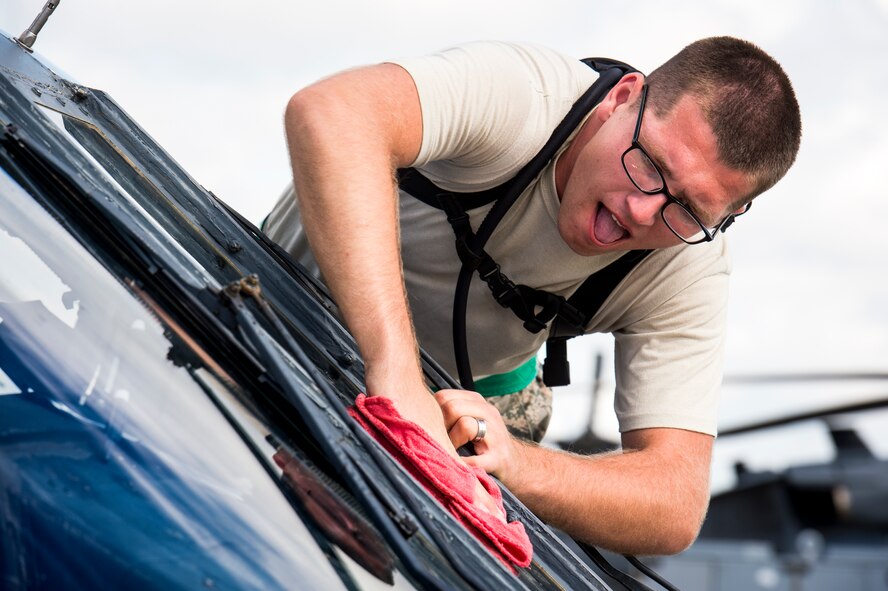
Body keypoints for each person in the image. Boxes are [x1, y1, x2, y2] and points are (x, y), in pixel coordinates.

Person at [264, 37, 801, 555]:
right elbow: (332, 112)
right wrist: (397, 377)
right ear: (622, 99)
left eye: (688, 209)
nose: (643, 210)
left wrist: (518, 463)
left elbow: (674, 504)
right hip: (278, 311)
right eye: (650, 164)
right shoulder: (525, 93)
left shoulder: (692, 260)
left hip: (467, 404)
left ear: (729, 216)